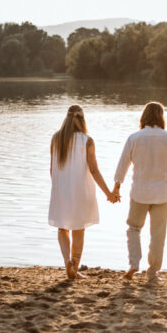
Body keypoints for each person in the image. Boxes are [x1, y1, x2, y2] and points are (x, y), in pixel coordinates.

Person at [112, 101, 167, 281]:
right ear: (161, 117)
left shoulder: (134, 138)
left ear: (144, 116)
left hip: (140, 192)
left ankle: (134, 263)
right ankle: (152, 271)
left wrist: (117, 186)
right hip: (162, 193)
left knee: (134, 228)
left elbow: (122, 165)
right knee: (158, 233)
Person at [49, 105, 118, 280]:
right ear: (82, 120)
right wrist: (109, 193)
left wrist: (58, 188)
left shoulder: (56, 139)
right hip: (80, 191)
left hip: (61, 190)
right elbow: (94, 170)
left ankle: (67, 261)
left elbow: (52, 169)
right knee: (78, 230)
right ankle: (75, 265)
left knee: (62, 227)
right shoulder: (87, 141)